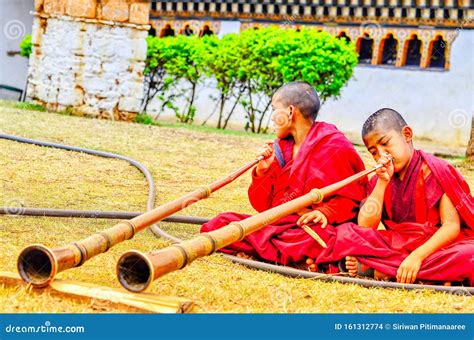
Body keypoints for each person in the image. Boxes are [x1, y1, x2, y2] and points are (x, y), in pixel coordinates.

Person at [200, 82, 366, 267]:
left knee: (316, 241)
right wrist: (262, 171)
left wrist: (323, 213)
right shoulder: (280, 149)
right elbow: (264, 207)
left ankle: (276, 255)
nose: (271, 118)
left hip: (312, 230)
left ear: (290, 112)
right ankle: (298, 260)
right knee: (220, 224)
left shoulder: (334, 146)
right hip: (280, 227)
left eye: (274, 109)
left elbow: (353, 199)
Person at [316, 108, 474, 285]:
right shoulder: (379, 179)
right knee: (346, 234)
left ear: (407, 134)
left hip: (437, 246)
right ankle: (429, 275)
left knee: (468, 255)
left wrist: (416, 257)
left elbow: (451, 226)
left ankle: (382, 270)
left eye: (386, 144)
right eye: (374, 152)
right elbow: (366, 226)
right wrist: (382, 183)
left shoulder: (437, 170)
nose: (382, 155)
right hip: (400, 244)